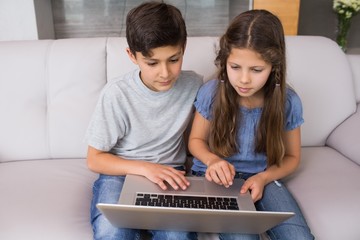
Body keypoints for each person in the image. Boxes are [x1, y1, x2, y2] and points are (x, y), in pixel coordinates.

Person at [188, 10, 314, 240]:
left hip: (263, 177)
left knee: (299, 237)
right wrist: (213, 161)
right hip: (214, 177)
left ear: (274, 67)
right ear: (225, 61)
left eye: (256, 70)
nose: (244, 79)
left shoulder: (289, 102)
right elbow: (195, 141)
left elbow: (292, 157)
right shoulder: (211, 93)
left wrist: (263, 178)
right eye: (235, 67)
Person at [85, 2, 202, 240]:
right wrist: (145, 168)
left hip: (171, 174)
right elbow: (94, 159)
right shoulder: (117, 94)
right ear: (132, 55)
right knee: (112, 231)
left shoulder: (195, 85)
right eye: (152, 63)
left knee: (177, 236)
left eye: (173, 59)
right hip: (120, 175)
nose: (165, 73)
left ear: (184, 48)